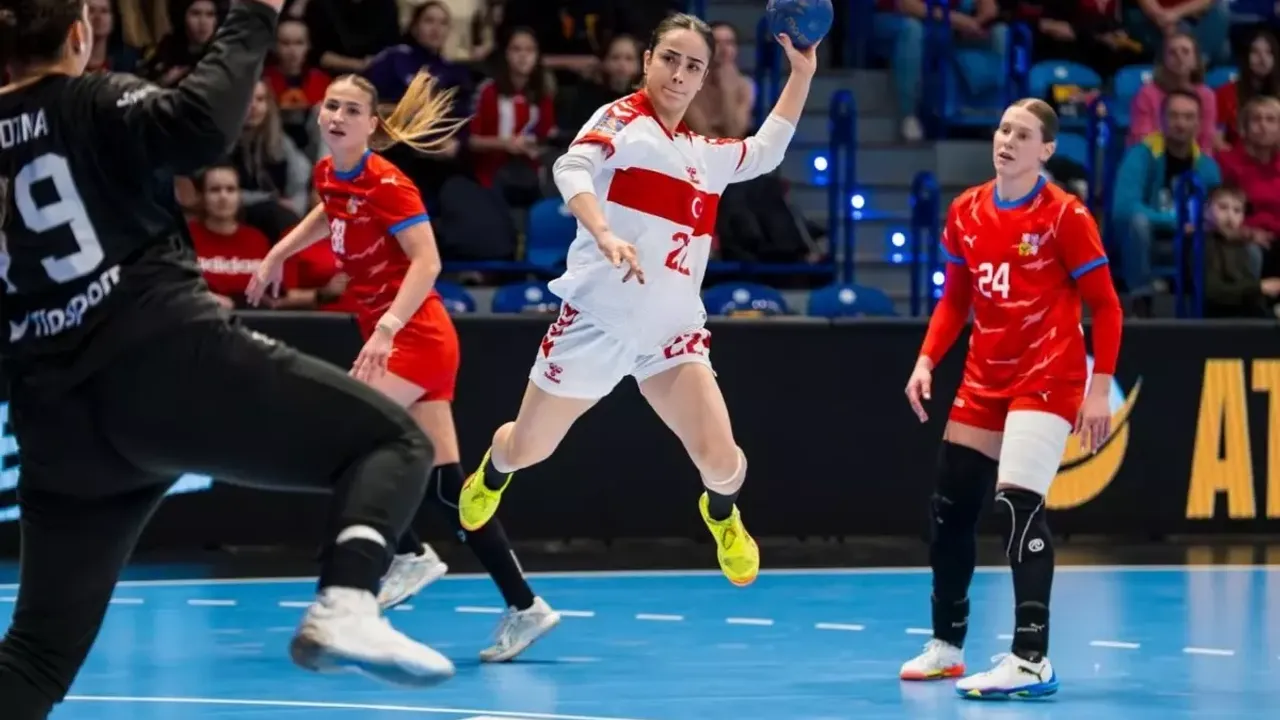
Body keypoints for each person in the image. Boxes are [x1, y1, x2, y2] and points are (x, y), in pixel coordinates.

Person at [0, 1, 456, 716]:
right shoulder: (91, 99)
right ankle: (346, 600)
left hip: (52, 415)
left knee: (36, 655)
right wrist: (254, 15)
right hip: (157, 356)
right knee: (393, 441)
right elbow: (200, 124)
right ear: (80, 35)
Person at [453, 14, 815, 587]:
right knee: (525, 448)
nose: (679, 74)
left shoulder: (704, 154)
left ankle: (721, 516)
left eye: (693, 66)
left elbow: (766, 151)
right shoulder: (621, 120)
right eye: (669, 58)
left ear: (703, 79)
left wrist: (802, 72)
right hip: (596, 323)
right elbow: (571, 166)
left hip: (671, 334)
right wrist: (601, 231)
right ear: (648, 61)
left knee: (724, 464)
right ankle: (493, 475)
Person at [248, 71, 561, 662]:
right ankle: (526, 607)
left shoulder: (389, 183)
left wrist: (388, 328)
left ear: (372, 125)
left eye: (351, 110)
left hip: (414, 336)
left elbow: (428, 261)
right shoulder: (330, 174)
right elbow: (328, 212)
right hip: (395, 336)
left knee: (338, 438)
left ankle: (409, 553)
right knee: (448, 488)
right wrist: (278, 253)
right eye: (331, 106)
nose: (337, 116)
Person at [899, 99, 1124, 699]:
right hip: (983, 376)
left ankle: (1031, 658)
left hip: (1047, 375)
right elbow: (956, 299)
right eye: (1003, 130)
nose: (1007, 141)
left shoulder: (1065, 216)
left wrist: (1099, 388)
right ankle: (947, 646)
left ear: (1046, 150)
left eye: (1022, 135)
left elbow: (1106, 306)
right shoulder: (966, 211)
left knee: (1020, 504)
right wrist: (926, 360)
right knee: (950, 510)